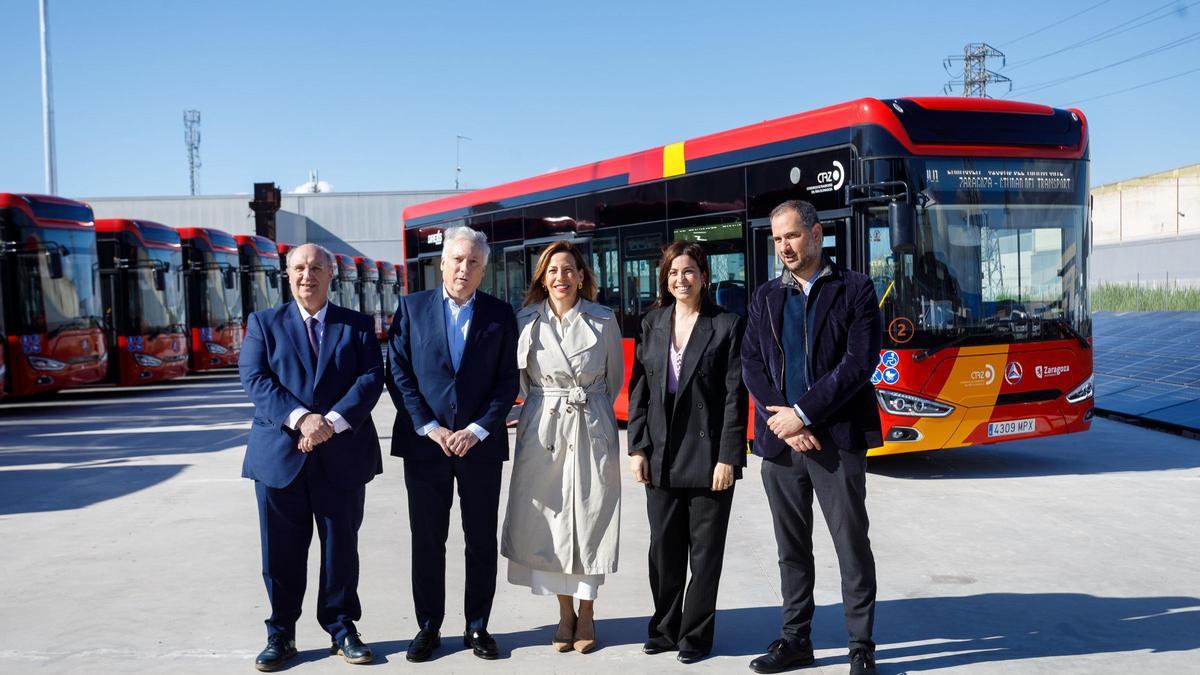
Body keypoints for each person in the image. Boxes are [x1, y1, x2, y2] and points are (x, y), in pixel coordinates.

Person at [741, 200, 883, 675]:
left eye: (792, 236)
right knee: (791, 548)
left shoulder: (856, 289)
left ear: (816, 233)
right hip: (782, 446)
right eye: (777, 239)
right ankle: (795, 640)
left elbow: (858, 365)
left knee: (851, 545)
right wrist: (783, 420)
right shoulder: (764, 297)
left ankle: (860, 646)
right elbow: (752, 364)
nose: (784, 246)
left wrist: (803, 414)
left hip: (836, 441)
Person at [238, 242, 384, 671]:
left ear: (330, 274)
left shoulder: (357, 325)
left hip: (342, 455)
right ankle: (280, 633)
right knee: (280, 554)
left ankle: (342, 629)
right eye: (299, 268)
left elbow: (373, 376)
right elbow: (255, 378)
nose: (308, 275)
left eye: (316, 267)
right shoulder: (263, 323)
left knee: (341, 549)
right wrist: (302, 420)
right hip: (279, 458)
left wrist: (331, 422)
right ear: (287, 274)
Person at [386, 226, 519, 662]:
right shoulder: (411, 308)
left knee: (480, 539)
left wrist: (478, 429)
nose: (465, 268)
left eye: (474, 262)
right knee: (428, 539)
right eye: (458, 259)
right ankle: (428, 626)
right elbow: (399, 374)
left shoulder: (501, 315)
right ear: (442, 263)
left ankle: (477, 625)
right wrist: (430, 427)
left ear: (484, 269)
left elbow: (507, 382)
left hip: (479, 446)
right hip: (427, 447)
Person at [500, 240, 624, 655]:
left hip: (590, 423)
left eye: (569, 270)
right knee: (550, 522)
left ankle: (587, 611)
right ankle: (564, 612)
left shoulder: (603, 320)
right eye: (552, 271)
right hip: (544, 429)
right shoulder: (525, 322)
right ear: (542, 277)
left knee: (591, 518)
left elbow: (614, 380)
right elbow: (521, 381)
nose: (561, 278)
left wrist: (589, 409)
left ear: (582, 276)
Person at [627, 241, 748, 664]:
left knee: (705, 553)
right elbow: (639, 389)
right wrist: (637, 447)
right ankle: (663, 628)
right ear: (665, 279)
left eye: (690, 271)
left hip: (708, 457)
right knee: (664, 550)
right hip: (659, 454)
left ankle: (695, 636)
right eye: (673, 272)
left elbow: (736, 396)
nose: (681, 279)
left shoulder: (727, 324)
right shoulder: (653, 323)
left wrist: (728, 458)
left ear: (704, 276)